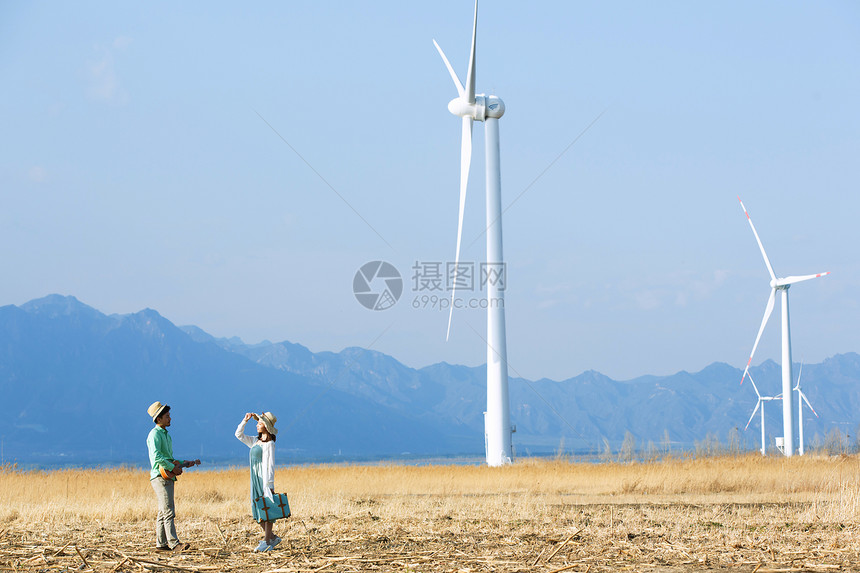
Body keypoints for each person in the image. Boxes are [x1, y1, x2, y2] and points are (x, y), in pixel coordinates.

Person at [146, 401, 201, 552]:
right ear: (159, 419)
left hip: (166, 476)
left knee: (163, 511)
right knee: (169, 510)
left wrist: (187, 463)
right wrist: (172, 468)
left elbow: (170, 459)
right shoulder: (155, 434)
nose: (170, 419)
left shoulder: (165, 435)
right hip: (160, 476)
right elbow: (157, 458)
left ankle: (161, 544)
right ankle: (174, 543)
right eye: (167, 416)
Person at [235, 411, 281, 552]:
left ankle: (267, 541)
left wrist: (269, 485)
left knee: (267, 509)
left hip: (264, 480)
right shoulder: (255, 441)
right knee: (257, 510)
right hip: (254, 479)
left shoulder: (269, 444)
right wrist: (245, 421)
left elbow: (270, 465)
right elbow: (238, 434)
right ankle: (272, 537)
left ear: (266, 427)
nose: (257, 425)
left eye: (259, 423)